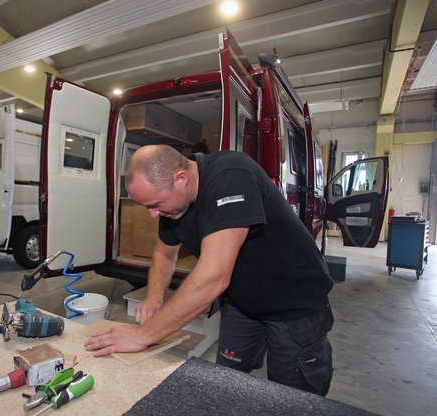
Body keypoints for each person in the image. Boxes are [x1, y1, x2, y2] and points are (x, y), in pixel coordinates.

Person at [85, 145, 334, 396]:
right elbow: (164, 252)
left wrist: (142, 335)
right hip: (243, 303)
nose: (152, 214)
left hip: (293, 302)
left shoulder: (231, 175)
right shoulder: (171, 204)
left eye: (155, 204)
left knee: (292, 399)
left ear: (180, 179)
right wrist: (154, 297)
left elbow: (213, 277)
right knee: (225, 381)